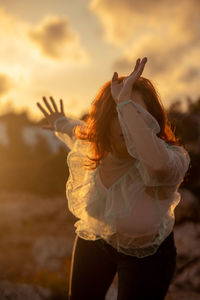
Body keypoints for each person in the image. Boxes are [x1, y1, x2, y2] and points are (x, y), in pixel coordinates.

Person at [37, 57, 190, 300]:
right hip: (96, 241)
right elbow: (77, 130)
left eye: (134, 112)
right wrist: (60, 122)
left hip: (148, 258)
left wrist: (124, 102)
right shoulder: (97, 148)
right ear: (105, 119)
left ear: (151, 120)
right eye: (117, 112)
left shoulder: (170, 160)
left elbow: (159, 166)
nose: (125, 122)